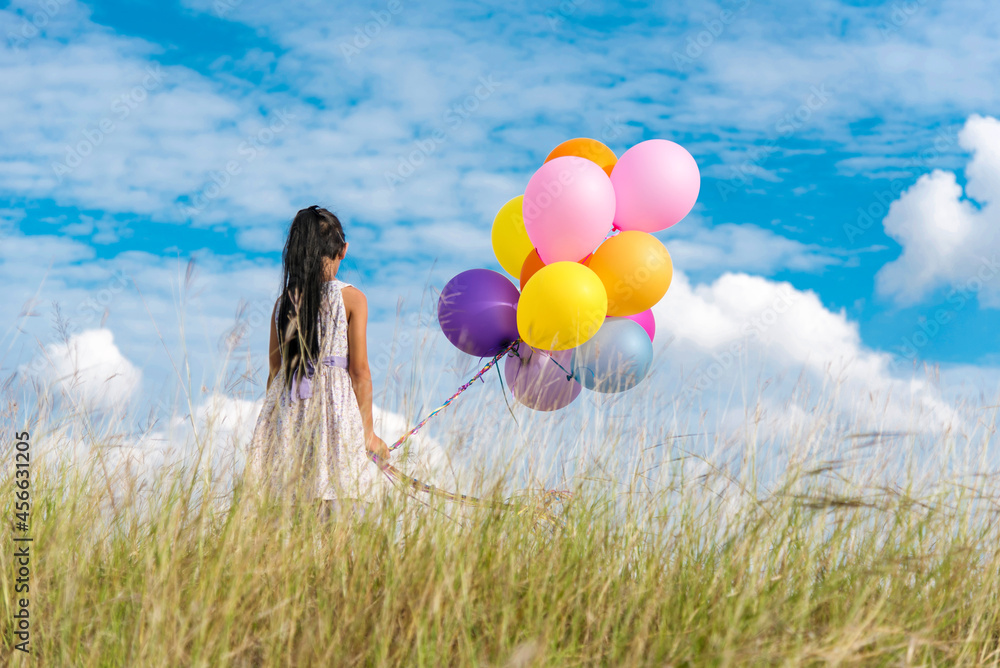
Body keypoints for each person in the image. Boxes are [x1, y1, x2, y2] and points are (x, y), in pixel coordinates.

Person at [247, 205, 390, 520]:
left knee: (290, 509)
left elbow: (275, 373)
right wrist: (368, 432)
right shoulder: (352, 299)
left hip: (287, 417)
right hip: (334, 417)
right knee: (339, 503)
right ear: (343, 250)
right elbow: (359, 372)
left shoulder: (282, 303)